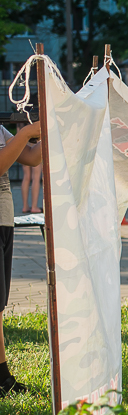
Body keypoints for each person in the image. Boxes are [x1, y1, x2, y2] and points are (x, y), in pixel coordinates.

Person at [0, 121, 43, 398]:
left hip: (4, 221)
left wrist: (49, 127)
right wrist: (26, 132)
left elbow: (32, 156)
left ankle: (2, 377)